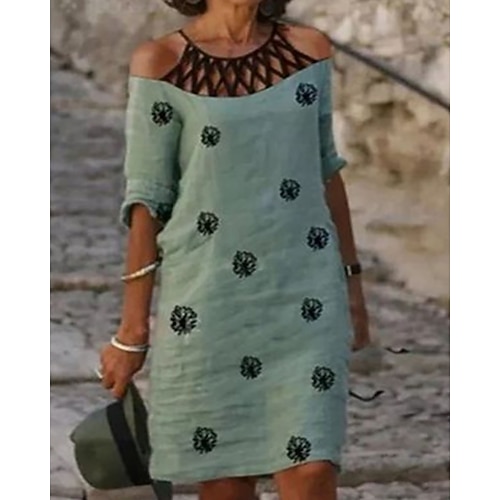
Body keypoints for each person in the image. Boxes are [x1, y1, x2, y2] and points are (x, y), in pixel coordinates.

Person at [99, 1, 371, 499]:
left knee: (312, 470)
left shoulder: (309, 50)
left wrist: (352, 284)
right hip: (207, 302)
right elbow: (147, 199)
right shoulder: (159, 61)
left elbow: (325, 169)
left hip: (305, 296)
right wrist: (132, 332)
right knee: (226, 481)